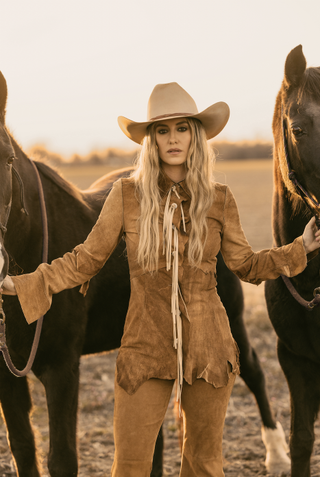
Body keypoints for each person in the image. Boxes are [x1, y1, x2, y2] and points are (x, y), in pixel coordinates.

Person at [2, 82, 320, 477]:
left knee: (203, 465)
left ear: (196, 136)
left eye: (183, 128)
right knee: (131, 465)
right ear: (151, 140)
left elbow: (246, 264)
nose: (173, 139)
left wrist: (298, 250)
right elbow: (85, 260)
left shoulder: (218, 199)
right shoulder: (126, 196)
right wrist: (26, 284)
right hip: (145, 347)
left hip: (208, 348)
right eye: (163, 130)